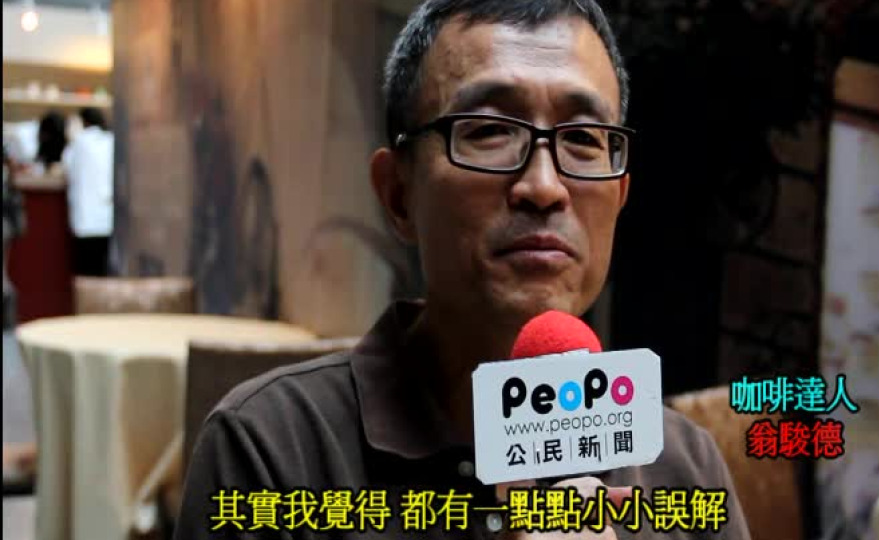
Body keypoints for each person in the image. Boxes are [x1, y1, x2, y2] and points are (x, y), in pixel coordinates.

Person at [175, 1, 751, 538]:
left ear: (620, 196)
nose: (544, 187)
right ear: (398, 194)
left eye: (581, 138)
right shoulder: (272, 450)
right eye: (490, 131)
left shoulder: (683, 469)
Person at [63, 107, 114, 276]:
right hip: (106, 218)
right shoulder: (110, 140)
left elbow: (66, 166)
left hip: (85, 221)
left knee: (85, 271)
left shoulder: (78, 142)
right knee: (102, 270)